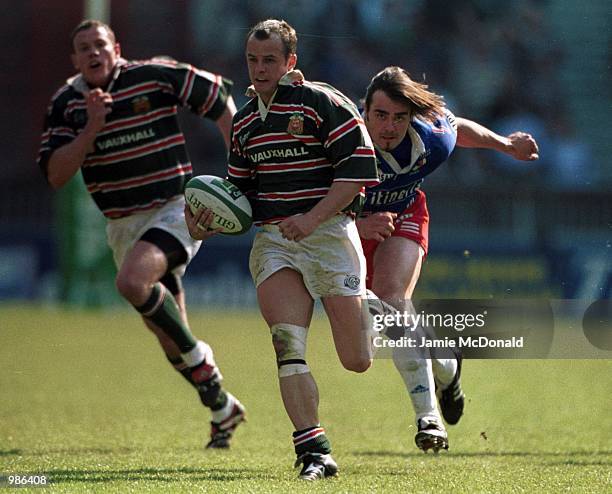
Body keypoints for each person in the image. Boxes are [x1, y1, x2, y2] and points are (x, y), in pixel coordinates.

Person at [185, 19, 402, 480]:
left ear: (290, 62)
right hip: (275, 242)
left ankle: (375, 307)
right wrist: (206, 223)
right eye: (252, 59)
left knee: (357, 360)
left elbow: (357, 172)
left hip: (327, 237)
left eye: (269, 60)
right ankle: (314, 451)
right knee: (288, 345)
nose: (260, 69)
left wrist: (312, 218)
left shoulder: (322, 101)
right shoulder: (243, 122)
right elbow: (240, 197)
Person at [36, 19, 245, 449]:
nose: (93, 53)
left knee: (132, 282)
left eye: (100, 44)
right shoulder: (66, 105)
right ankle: (222, 407)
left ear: (116, 47)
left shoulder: (152, 75)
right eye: (83, 48)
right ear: (74, 59)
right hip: (122, 224)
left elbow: (218, 98)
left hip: (175, 209)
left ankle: (204, 367)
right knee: (171, 338)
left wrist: (240, 170)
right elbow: (56, 174)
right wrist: (92, 127)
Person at [358, 66, 539, 451]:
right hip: (345, 230)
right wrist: (358, 225)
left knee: (392, 303)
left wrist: (506, 145)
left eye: (400, 117)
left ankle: (428, 420)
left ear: (412, 117)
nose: (389, 127)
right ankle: (449, 366)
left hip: (404, 217)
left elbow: (456, 126)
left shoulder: (431, 138)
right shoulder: (342, 140)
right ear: (365, 111)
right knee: (370, 334)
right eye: (380, 116)